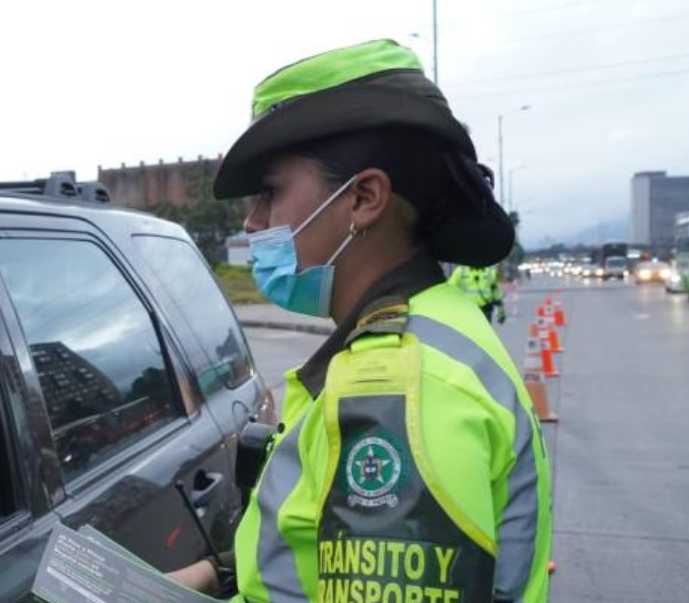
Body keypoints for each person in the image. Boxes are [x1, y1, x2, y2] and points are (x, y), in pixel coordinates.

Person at [168, 40, 551, 602]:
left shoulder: (396, 389)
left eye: (271, 192)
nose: (252, 222)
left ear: (364, 198)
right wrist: (215, 574)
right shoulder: (433, 321)